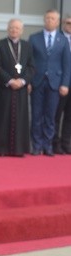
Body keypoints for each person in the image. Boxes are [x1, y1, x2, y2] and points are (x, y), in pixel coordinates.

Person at [0, 19, 34, 157]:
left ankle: (18, 149)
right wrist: (10, 80)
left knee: (20, 118)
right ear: (7, 28)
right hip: (4, 88)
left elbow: (32, 66)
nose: (14, 30)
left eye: (17, 28)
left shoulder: (27, 46)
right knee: (2, 118)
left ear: (22, 30)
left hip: (21, 89)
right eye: (12, 27)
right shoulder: (0, 44)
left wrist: (23, 81)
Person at [29, 9, 71, 156]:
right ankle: (36, 145)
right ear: (44, 19)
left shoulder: (63, 40)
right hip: (37, 81)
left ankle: (48, 146)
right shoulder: (34, 38)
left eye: (53, 19)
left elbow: (67, 64)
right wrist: (28, 80)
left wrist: (65, 83)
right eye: (47, 18)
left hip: (55, 82)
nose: (49, 21)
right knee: (36, 114)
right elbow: (29, 62)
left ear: (58, 21)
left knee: (50, 116)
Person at [53, 14, 71, 154]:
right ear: (63, 23)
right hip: (60, 84)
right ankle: (55, 143)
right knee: (56, 115)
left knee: (69, 117)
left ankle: (67, 144)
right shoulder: (57, 38)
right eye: (68, 23)